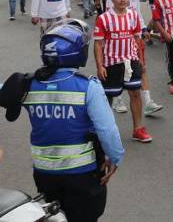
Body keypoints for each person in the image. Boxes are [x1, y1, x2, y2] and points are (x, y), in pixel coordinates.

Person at [0, 20, 124, 221]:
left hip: (44, 174)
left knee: (55, 217)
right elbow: (107, 130)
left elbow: (3, 90)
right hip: (82, 175)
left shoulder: (27, 84)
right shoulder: (88, 86)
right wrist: (115, 157)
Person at [93, 0, 152, 143]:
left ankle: (137, 129)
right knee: (109, 97)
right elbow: (98, 44)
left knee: (135, 93)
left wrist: (140, 60)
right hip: (111, 64)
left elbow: (137, 39)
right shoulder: (104, 18)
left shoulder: (133, 16)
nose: (122, 0)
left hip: (131, 62)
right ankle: (106, 133)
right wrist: (100, 66)